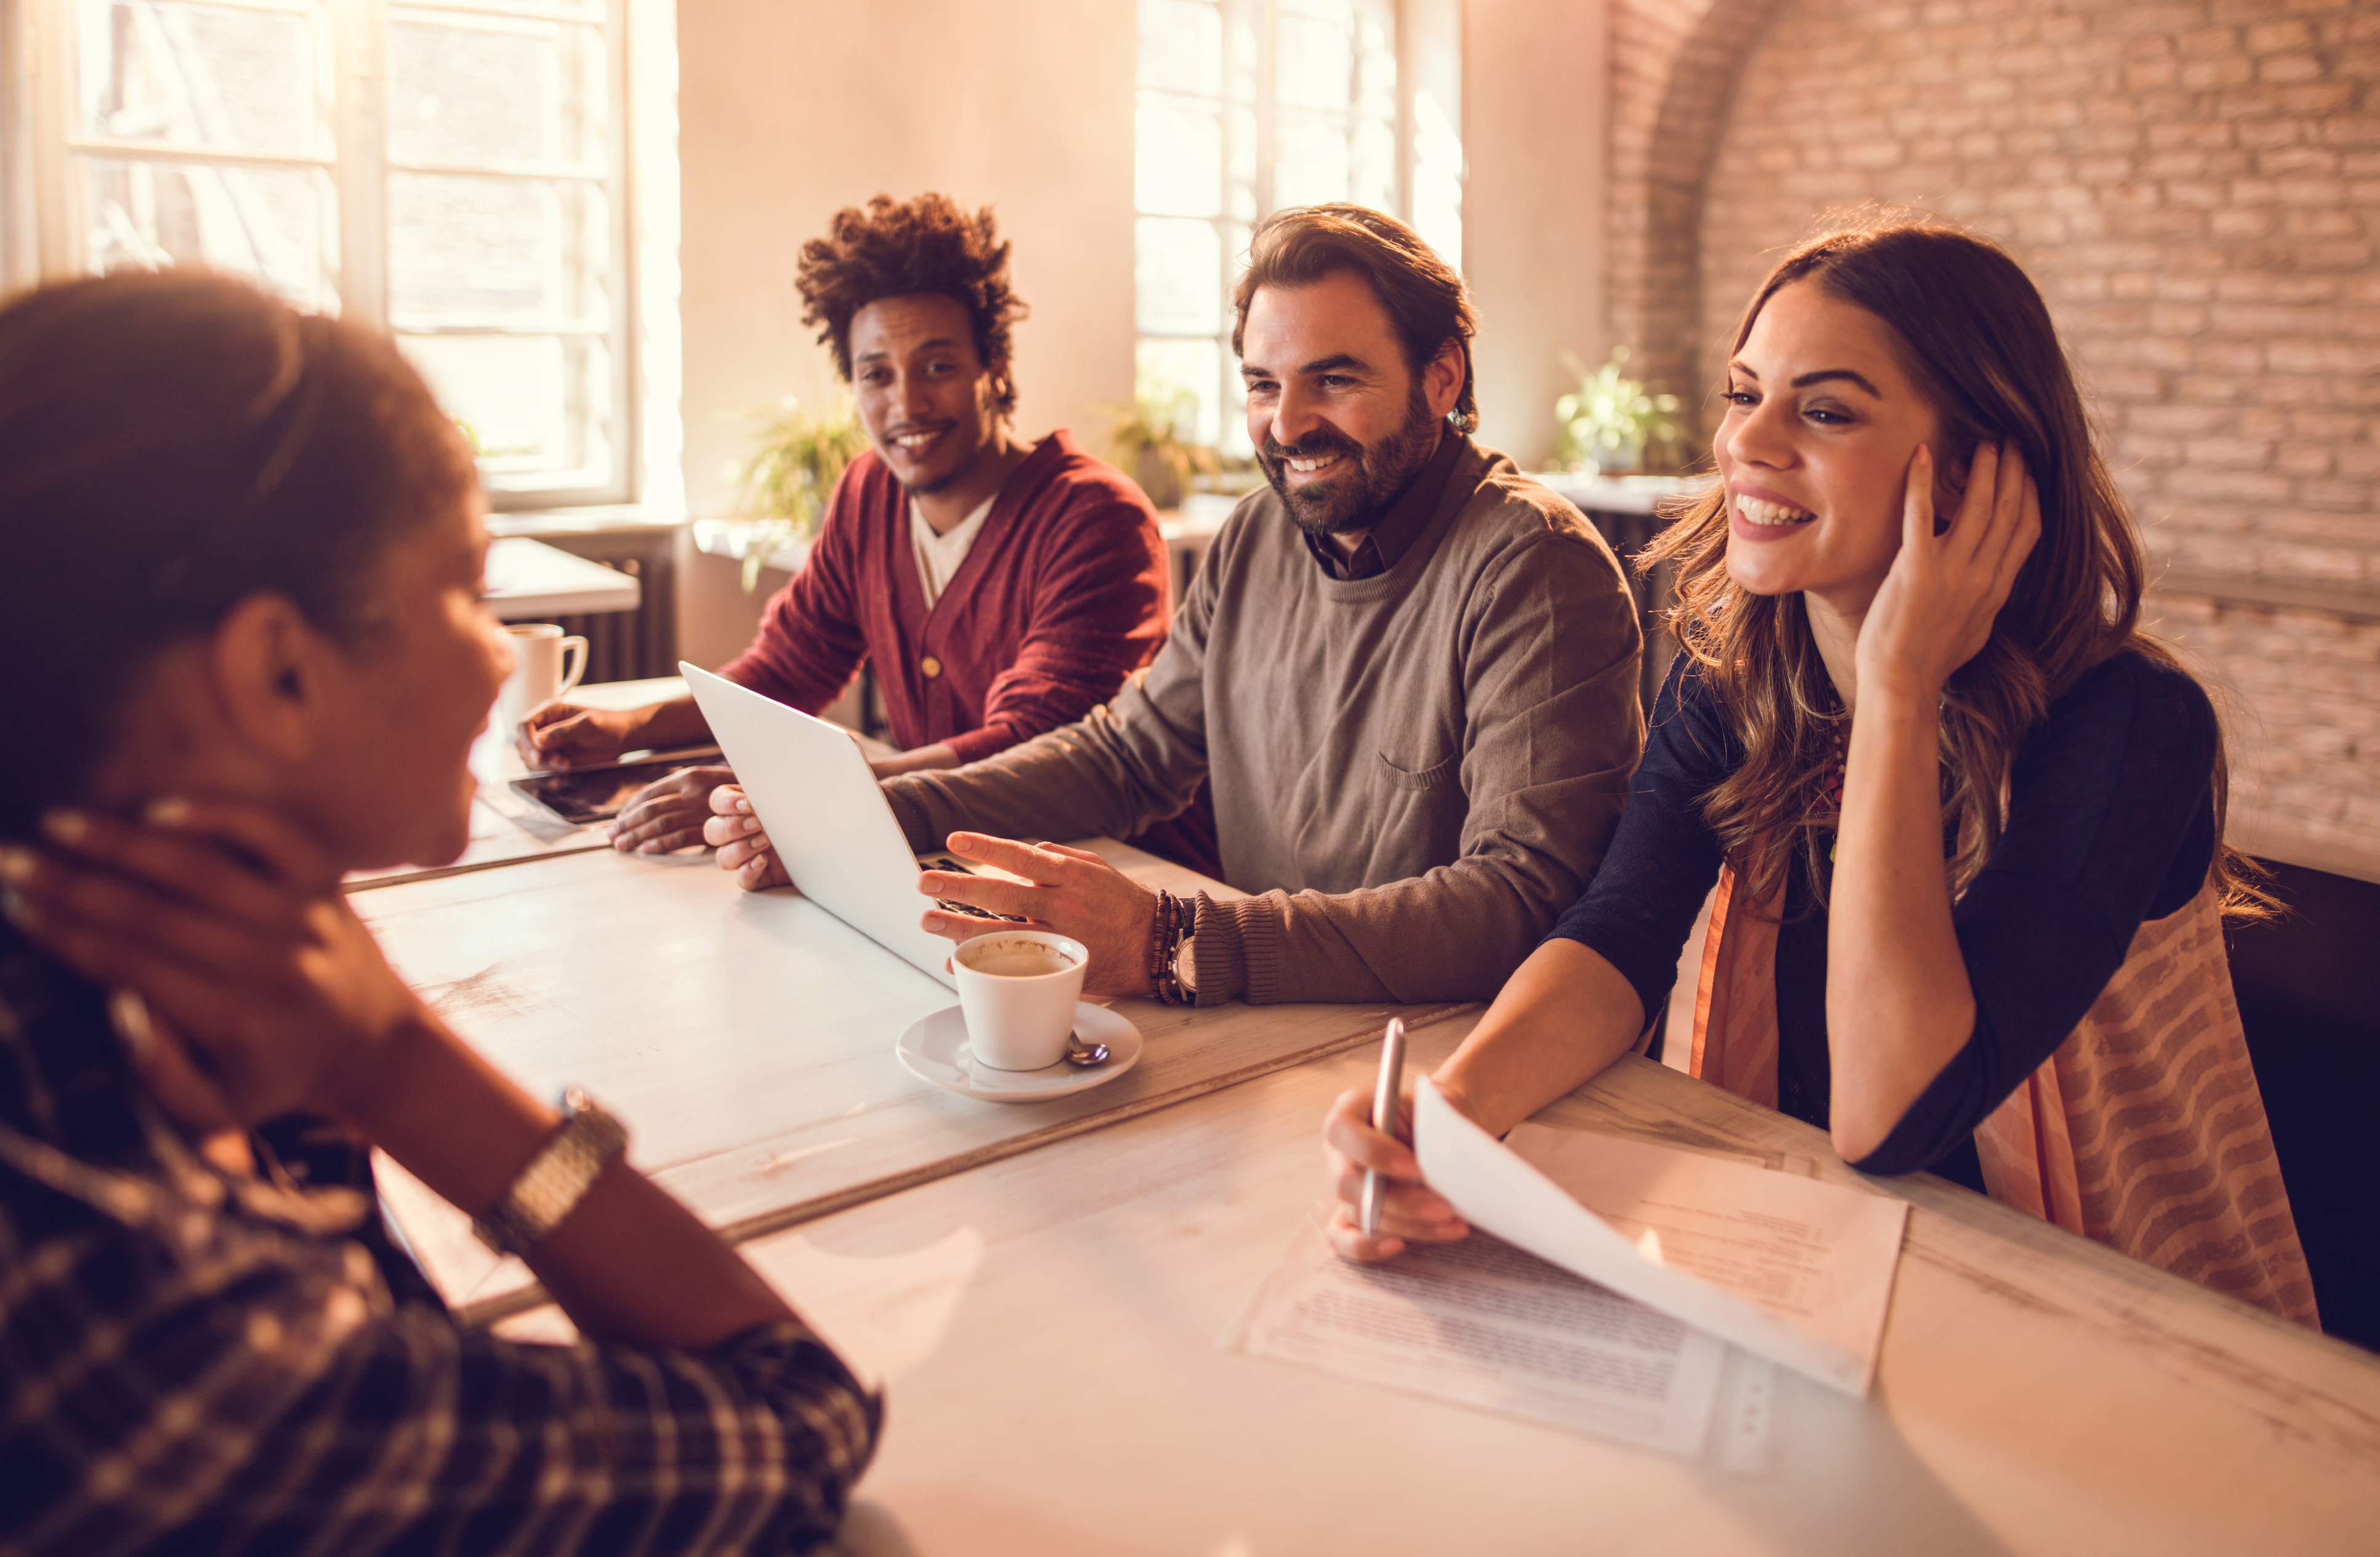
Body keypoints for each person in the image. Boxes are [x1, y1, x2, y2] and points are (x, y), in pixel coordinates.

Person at [0, 272, 877, 1551]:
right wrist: (398, 1065)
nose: (489, 655)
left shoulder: (154, 1006)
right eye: (465, 592)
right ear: (278, 673)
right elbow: (795, 1421)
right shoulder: (158, 1353)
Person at [1320, 222, 2318, 1327]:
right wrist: (1449, 1115)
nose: (1751, 442)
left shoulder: (2130, 722)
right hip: (1823, 1272)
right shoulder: (1733, 685)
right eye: (1744, 394)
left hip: (2101, 1311)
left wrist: (1899, 685)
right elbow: (1619, 935)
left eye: (1827, 410)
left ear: (1986, 463)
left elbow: (1896, 1115)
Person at [706, 205, 1645, 1008]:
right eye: (1263, 384)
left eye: (1337, 378)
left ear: (1441, 379)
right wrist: (870, 816)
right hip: (1273, 1026)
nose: (1287, 426)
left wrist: (1177, 941)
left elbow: (1518, 903)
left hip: (1446, 1062)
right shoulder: (1255, 538)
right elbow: (1123, 757)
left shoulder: (1536, 567)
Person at [523, 192, 1200, 881]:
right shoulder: (867, 492)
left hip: (1115, 874)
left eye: (937, 366)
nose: (905, 404)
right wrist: (627, 730)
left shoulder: (1095, 518)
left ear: (992, 366)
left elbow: (1031, 748)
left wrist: (796, 801)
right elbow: (786, 671)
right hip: (937, 852)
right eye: (876, 374)